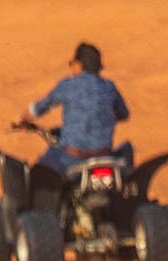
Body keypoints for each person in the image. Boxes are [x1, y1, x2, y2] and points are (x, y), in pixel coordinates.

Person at [12, 41, 131, 207]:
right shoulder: (109, 87)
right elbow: (124, 114)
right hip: (105, 156)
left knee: (39, 170)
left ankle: (41, 214)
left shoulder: (67, 85)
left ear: (78, 65)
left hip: (72, 158)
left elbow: (41, 107)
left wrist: (22, 119)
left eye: (71, 63)